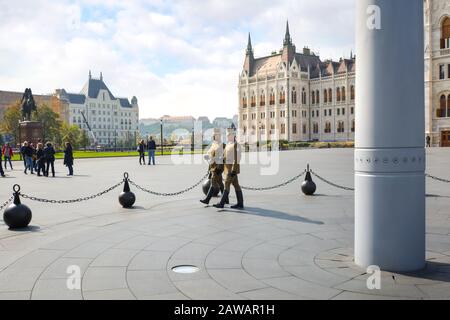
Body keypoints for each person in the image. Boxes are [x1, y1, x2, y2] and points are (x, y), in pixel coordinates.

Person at [214, 127, 244, 209]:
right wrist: (219, 167)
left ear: (233, 135)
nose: (227, 136)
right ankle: (240, 203)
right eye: (227, 135)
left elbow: (237, 158)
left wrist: (234, 170)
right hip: (227, 168)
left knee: (226, 184)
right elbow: (224, 156)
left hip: (231, 169)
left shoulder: (236, 145)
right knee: (236, 185)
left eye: (229, 135)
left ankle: (221, 203)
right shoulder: (228, 144)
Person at [200, 129, 227, 205]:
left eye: (216, 135)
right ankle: (226, 199)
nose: (215, 137)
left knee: (213, 183)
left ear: (219, 136)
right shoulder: (213, 144)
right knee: (220, 183)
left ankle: (207, 199)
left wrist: (219, 167)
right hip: (213, 166)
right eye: (214, 135)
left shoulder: (222, 145)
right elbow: (211, 155)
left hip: (218, 167)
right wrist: (207, 157)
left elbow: (223, 157)